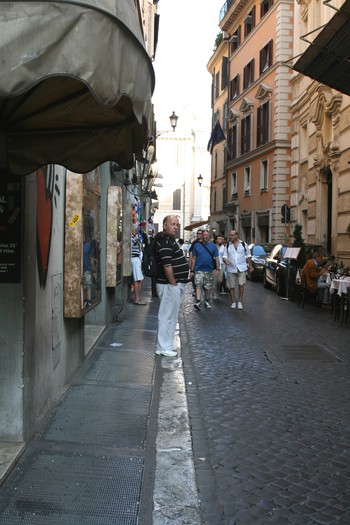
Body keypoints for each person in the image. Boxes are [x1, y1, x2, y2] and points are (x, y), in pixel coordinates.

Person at [153, 215, 189, 357]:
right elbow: (167, 265)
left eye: (177, 225)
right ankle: (163, 346)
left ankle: (166, 345)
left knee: (171, 315)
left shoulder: (168, 240)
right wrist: (173, 282)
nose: (175, 227)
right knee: (166, 315)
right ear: (165, 225)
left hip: (172, 284)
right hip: (169, 285)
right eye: (173, 224)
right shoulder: (164, 242)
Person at [223, 230, 253, 310]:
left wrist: (250, 266)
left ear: (236, 236)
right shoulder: (228, 245)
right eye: (230, 235)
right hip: (231, 268)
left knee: (241, 284)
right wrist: (226, 260)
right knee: (231, 286)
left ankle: (240, 301)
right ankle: (233, 302)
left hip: (242, 268)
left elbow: (248, 255)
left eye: (232, 235)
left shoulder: (243, 244)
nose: (230, 237)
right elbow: (224, 255)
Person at [191, 229, 219, 310]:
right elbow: (193, 258)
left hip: (209, 270)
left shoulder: (213, 246)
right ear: (202, 236)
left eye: (207, 235)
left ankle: (206, 301)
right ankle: (198, 301)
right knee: (198, 285)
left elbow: (217, 258)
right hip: (199, 269)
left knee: (207, 287)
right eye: (204, 235)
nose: (206, 236)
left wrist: (217, 269)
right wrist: (192, 270)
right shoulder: (196, 245)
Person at [131, 226, 146, 305]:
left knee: (140, 279)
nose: (137, 230)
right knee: (138, 280)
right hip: (135, 259)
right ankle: (137, 299)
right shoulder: (133, 238)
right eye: (136, 229)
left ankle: (137, 298)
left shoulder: (137, 237)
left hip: (137, 259)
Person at [188, 229, 203, 296]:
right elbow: (191, 253)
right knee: (194, 278)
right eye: (197, 233)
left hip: (203, 263)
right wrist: (190, 263)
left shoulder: (205, 242)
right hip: (195, 263)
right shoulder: (194, 243)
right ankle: (196, 290)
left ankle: (199, 291)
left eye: (200, 233)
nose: (198, 235)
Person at [213, 234, 226, 300]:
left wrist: (226, 261)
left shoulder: (223, 247)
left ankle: (217, 290)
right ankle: (215, 294)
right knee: (214, 280)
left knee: (220, 280)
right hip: (213, 265)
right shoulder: (213, 246)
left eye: (221, 239)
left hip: (221, 265)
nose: (220, 240)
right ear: (216, 240)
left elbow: (225, 255)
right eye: (219, 239)